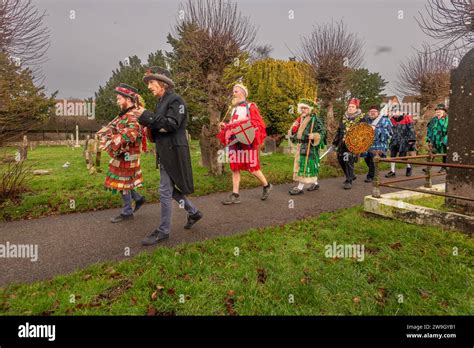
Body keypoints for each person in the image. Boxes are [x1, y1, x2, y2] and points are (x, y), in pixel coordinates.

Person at [135, 67, 202, 246]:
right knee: (170, 190)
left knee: (165, 191)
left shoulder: (176, 100)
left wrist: (148, 116)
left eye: (151, 82)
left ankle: (163, 231)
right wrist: (145, 118)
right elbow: (158, 127)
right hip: (164, 151)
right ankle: (193, 212)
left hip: (174, 151)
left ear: (162, 83)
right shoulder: (161, 102)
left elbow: (171, 125)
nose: (149, 86)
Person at [97, 83, 146, 223]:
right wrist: (105, 132)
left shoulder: (132, 116)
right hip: (123, 155)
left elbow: (130, 134)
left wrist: (109, 141)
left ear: (128, 99)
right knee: (123, 182)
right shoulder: (124, 114)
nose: (117, 101)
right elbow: (113, 127)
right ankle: (138, 198)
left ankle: (127, 212)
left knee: (122, 182)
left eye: (119, 99)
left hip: (128, 155)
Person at [217, 83, 272, 204]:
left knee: (252, 168)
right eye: (234, 91)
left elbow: (257, 123)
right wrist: (225, 126)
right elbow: (233, 125)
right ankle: (235, 195)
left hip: (246, 141)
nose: (234, 93)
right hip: (234, 141)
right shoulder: (234, 109)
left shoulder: (251, 106)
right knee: (235, 168)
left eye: (236, 91)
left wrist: (240, 125)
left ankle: (266, 185)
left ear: (242, 93)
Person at [288, 99, 326, 195]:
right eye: (302, 108)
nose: (303, 110)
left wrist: (314, 136)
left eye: (305, 108)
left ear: (309, 109)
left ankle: (300, 188)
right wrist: (293, 132)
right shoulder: (300, 119)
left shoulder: (315, 119)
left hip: (310, 146)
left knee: (305, 165)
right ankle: (315, 183)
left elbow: (322, 132)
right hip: (301, 145)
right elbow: (295, 131)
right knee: (304, 165)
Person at [332, 98, 365, 190]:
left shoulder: (361, 118)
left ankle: (348, 181)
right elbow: (339, 130)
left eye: (352, 107)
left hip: (353, 144)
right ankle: (351, 175)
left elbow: (363, 132)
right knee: (340, 159)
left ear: (356, 108)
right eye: (349, 106)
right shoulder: (344, 117)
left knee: (348, 160)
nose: (350, 108)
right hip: (341, 143)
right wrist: (335, 142)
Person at [361, 105, 393, 182]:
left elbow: (390, 132)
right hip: (367, 144)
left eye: (374, 112)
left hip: (379, 144)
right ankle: (375, 172)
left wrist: (376, 129)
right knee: (367, 159)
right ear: (368, 113)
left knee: (373, 159)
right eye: (371, 112)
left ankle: (370, 176)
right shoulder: (366, 120)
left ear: (378, 113)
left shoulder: (385, 120)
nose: (372, 113)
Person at [385, 104, 416, 178]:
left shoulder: (407, 118)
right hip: (394, 139)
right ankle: (392, 171)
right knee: (393, 155)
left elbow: (411, 129)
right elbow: (389, 129)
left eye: (396, 111)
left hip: (404, 140)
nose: (394, 113)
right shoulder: (391, 119)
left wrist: (411, 140)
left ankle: (409, 167)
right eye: (393, 112)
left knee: (403, 156)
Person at [426, 103, 449, 173]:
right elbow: (429, 129)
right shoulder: (434, 120)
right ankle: (428, 168)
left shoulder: (447, 120)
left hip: (443, 140)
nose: (438, 111)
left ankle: (444, 167)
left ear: (444, 111)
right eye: (437, 110)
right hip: (434, 139)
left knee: (444, 154)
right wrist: (429, 139)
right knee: (432, 153)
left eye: (440, 110)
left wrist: (445, 140)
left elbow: (449, 131)